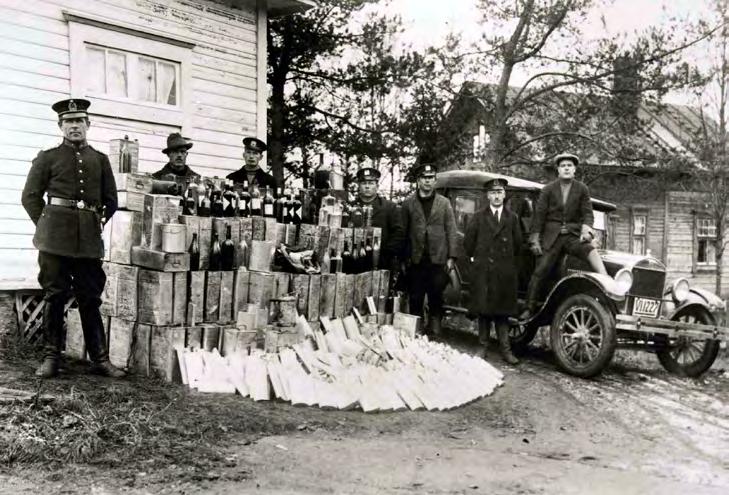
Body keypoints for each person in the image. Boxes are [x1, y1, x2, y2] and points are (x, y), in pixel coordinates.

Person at [21, 98, 125, 379]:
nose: (74, 126)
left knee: (90, 298)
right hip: (54, 241)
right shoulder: (48, 157)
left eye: (79, 121)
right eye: (69, 122)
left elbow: (111, 200)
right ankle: (51, 358)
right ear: (60, 126)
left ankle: (101, 360)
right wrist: (47, 225)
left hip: (88, 241)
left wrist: (95, 222)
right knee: (55, 295)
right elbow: (30, 197)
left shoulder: (100, 160)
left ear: (88, 125)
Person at [520, 153, 608, 320]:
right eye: (563, 166)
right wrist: (535, 240)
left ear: (574, 169)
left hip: (572, 237)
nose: (566, 168)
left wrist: (586, 231)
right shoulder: (548, 190)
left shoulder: (582, 189)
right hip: (552, 237)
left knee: (590, 250)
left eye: (569, 165)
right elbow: (539, 216)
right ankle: (528, 308)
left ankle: (607, 283)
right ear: (558, 170)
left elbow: (588, 214)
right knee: (540, 270)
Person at [464, 178, 521, 364]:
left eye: (500, 192)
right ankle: (482, 346)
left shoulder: (512, 218)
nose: (497, 196)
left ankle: (506, 350)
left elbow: (518, 244)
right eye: (493, 193)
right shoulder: (479, 217)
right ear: (488, 196)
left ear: (504, 195)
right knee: (484, 310)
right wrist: (477, 260)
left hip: (504, 272)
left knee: (502, 312)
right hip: (484, 271)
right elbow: (468, 243)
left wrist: (509, 265)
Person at [401, 163, 458, 336]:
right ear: (418, 181)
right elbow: (403, 232)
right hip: (416, 258)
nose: (427, 182)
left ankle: (435, 327)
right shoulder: (408, 203)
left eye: (431, 178)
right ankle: (416, 329)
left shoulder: (444, 203)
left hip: (438, 258)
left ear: (435, 181)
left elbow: (452, 230)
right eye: (424, 178)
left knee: (436, 294)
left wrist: (451, 257)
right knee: (416, 295)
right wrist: (403, 259)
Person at [351, 166, 404, 272]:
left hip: (381, 262)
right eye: (364, 183)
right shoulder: (350, 207)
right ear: (359, 186)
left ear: (377, 186)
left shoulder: (389, 207)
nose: (367, 187)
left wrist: (386, 254)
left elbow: (399, 233)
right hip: (354, 261)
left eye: (371, 183)